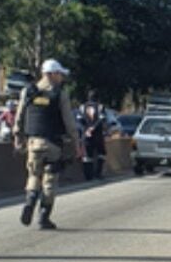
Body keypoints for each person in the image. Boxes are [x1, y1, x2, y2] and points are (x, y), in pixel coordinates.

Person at [14, 58, 83, 230]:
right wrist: (77, 143)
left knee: (33, 175)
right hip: (52, 144)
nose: (61, 77)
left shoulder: (28, 91)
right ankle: (44, 218)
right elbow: (69, 122)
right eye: (59, 74)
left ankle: (30, 200)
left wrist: (17, 137)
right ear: (51, 74)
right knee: (50, 180)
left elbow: (20, 117)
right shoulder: (60, 94)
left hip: (33, 143)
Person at [77, 89, 106, 181]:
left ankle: (88, 176)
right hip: (97, 135)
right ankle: (98, 173)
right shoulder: (100, 107)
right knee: (101, 153)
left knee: (86, 156)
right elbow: (101, 119)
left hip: (86, 135)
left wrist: (86, 129)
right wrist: (93, 127)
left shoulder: (82, 107)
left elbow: (79, 120)